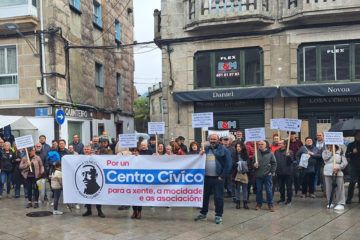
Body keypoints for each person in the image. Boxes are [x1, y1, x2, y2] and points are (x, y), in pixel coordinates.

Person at [194, 134, 232, 224]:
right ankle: (203, 213)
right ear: (209, 140)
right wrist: (199, 155)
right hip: (206, 177)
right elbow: (197, 160)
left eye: (215, 139)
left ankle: (218, 215)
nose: (213, 141)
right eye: (211, 139)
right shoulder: (205, 149)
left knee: (218, 197)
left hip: (218, 178)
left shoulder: (224, 150)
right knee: (204, 197)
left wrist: (222, 176)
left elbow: (228, 164)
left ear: (218, 140)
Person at [82, 145, 106, 218]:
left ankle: (99, 211)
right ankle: (88, 210)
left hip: (94, 181)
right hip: (85, 181)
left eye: (87, 149)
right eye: (85, 149)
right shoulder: (80, 158)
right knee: (87, 196)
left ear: (91, 150)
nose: (86, 150)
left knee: (97, 196)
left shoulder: (95, 157)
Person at [131, 140, 153, 219]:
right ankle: (134, 211)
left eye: (144, 145)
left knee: (139, 195)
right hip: (134, 175)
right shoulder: (138, 152)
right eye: (142, 145)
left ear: (147, 145)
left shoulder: (150, 152)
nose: (143, 146)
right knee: (133, 195)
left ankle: (139, 212)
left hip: (143, 176)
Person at [322, 145, 347, 210]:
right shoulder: (325, 151)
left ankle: (340, 203)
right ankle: (330, 202)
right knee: (329, 188)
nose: (330, 145)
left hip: (338, 172)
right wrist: (330, 152)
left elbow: (345, 162)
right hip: (328, 172)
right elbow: (325, 158)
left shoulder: (341, 151)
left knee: (339, 188)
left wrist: (339, 167)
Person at [254, 140, 277, 212]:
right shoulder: (256, 153)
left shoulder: (270, 153)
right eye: (259, 144)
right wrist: (254, 165)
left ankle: (270, 204)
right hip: (258, 175)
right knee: (258, 190)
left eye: (262, 144)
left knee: (269, 190)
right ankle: (259, 204)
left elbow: (274, 163)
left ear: (266, 145)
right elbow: (252, 162)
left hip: (267, 175)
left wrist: (272, 171)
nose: (260, 145)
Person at [274, 140, 294, 205]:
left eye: (280, 143)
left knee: (288, 187)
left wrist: (288, 156)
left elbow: (291, 161)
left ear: (285, 144)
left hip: (288, 172)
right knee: (281, 187)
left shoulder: (289, 151)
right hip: (279, 172)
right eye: (278, 143)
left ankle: (289, 199)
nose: (279, 144)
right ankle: (282, 198)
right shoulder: (276, 151)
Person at [232, 142, 250, 209]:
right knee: (237, 189)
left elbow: (248, 162)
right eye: (237, 146)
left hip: (244, 173)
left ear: (242, 147)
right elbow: (233, 163)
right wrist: (238, 164)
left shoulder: (245, 154)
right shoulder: (234, 154)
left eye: (239, 146)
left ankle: (245, 202)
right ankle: (238, 202)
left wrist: (241, 164)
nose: (238, 148)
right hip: (236, 173)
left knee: (245, 188)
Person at [345, 131, 360, 204]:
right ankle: (349, 198)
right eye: (357, 135)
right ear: (355, 136)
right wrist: (352, 153)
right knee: (352, 182)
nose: (359, 136)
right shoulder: (351, 145)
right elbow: (347, 155)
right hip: (354, 166)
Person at [289, 132, 303, 196]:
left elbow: (302, 150)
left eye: (292, 134)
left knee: (297, 176)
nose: (291, 136)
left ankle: (297, 190)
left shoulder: (299, 142)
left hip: (297, 161)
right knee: (290, 177)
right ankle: (290, 191)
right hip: (289, 161)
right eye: (290, 134)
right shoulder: (287, 142)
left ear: (295, 135)